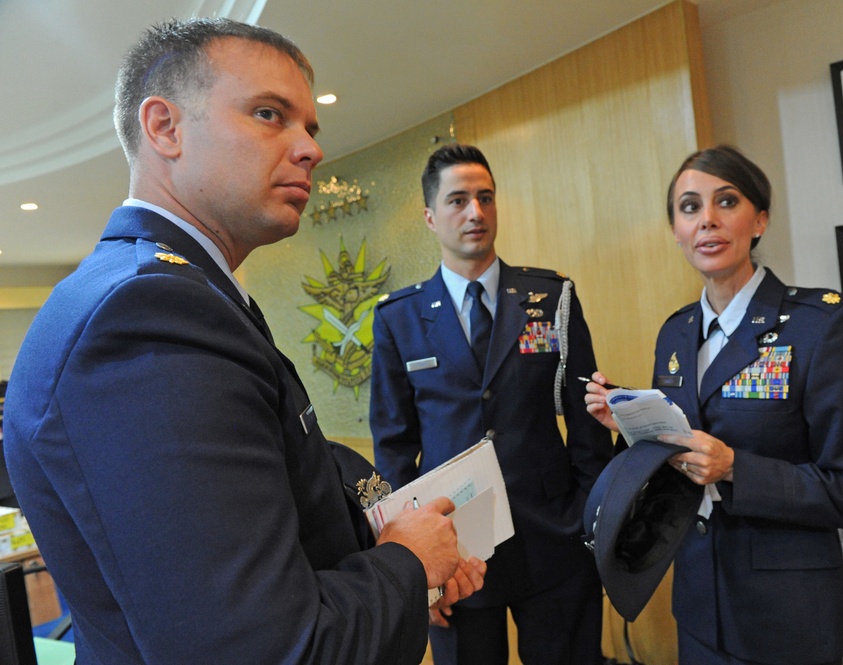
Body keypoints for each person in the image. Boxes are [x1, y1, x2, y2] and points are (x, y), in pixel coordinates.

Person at [3, 18, 485, 665]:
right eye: (268, 114)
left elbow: (290, 465)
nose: (309, 147)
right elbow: (265, 648)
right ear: (164, 128)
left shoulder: (177, 291)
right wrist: (406, 561)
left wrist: (387, 530)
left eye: (310, 127)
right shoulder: (145, 311)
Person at [585, 145, 843, 665]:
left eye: (726, 201)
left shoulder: (820, 327)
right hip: (701, 608)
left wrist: (734, 469)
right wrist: (632, 426)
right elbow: (681, 457)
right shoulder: (676, 333)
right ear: (676, 231)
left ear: (760, 220)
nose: (707, 220)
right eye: (689, 207)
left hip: (789, 617)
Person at [369, 143, 613, 665]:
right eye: (458, 200)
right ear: (431, 217)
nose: (475, 212)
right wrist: (410, 567)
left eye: (485, 198)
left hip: (554, 534)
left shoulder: (551, 297)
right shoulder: (399, 318)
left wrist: (590, 523)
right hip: (456, 550)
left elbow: (586, 422)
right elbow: (393, 448)